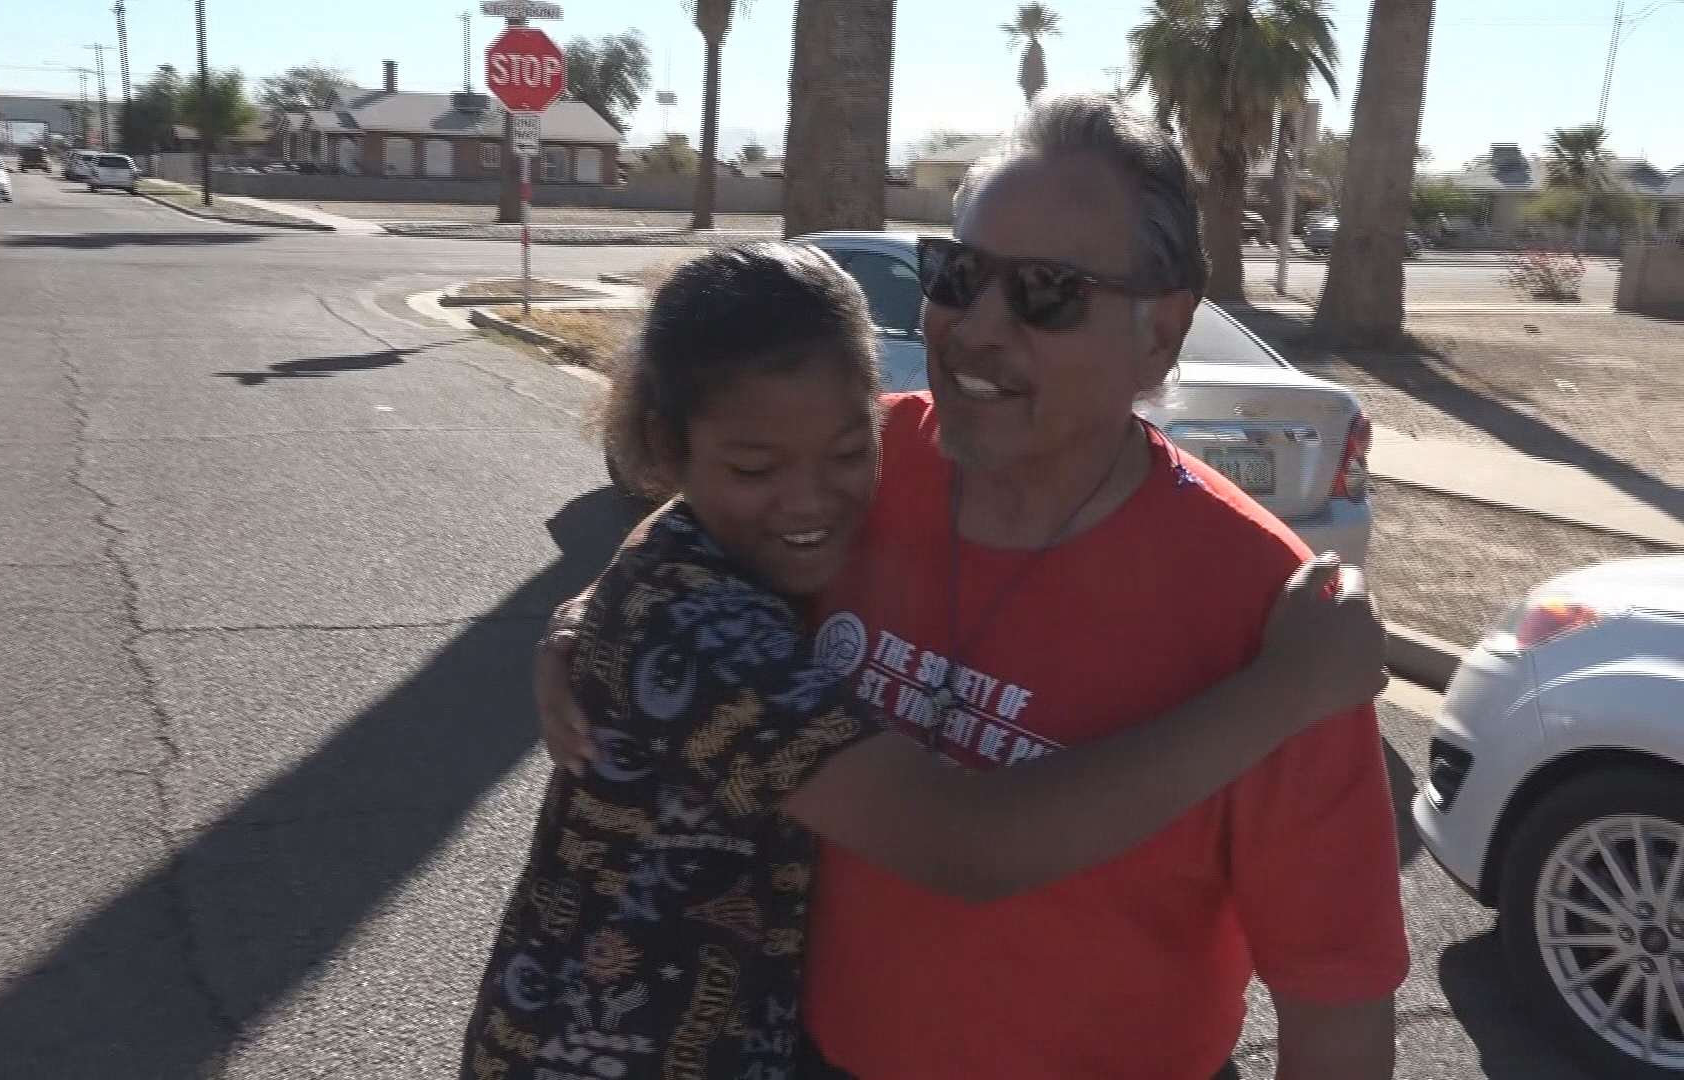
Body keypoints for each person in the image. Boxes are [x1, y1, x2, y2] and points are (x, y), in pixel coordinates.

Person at [539, 93, 1409, 1079]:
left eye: (1046, 291)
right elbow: (708, 504)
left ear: (1161, 334)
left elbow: (1336, 1003)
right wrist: (594, 610)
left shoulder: (1279, 622)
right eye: (958, 275)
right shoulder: (858, 465)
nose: (975, 327)